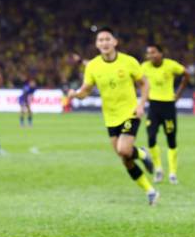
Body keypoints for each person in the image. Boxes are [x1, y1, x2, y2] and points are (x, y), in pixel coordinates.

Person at [67, 27, 159, 205]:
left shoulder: (128, 62)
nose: (104, 43)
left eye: (107, 39)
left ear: (115, 42)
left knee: (124, 150)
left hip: (130, 113)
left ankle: (141, 153)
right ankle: (151, 191)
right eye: (100, 40)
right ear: (96, 44)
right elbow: (85, 90)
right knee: (125, 159)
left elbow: (144, 84)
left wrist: (141, 104)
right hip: (110, 117)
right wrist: (75, 94)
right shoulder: (93, 66)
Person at [142, 44, 190, 184]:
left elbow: (186, 74)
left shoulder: (171, 65)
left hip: (168, 106)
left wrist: (178, 94)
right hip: (153, 106)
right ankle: (158, 169)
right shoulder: (144, 67)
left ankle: (172, 173)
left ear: (161, 53)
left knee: (171, 140)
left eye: (153, 52)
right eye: (148, 53)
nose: (150, 55)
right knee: (151, 137)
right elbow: (138, 80)